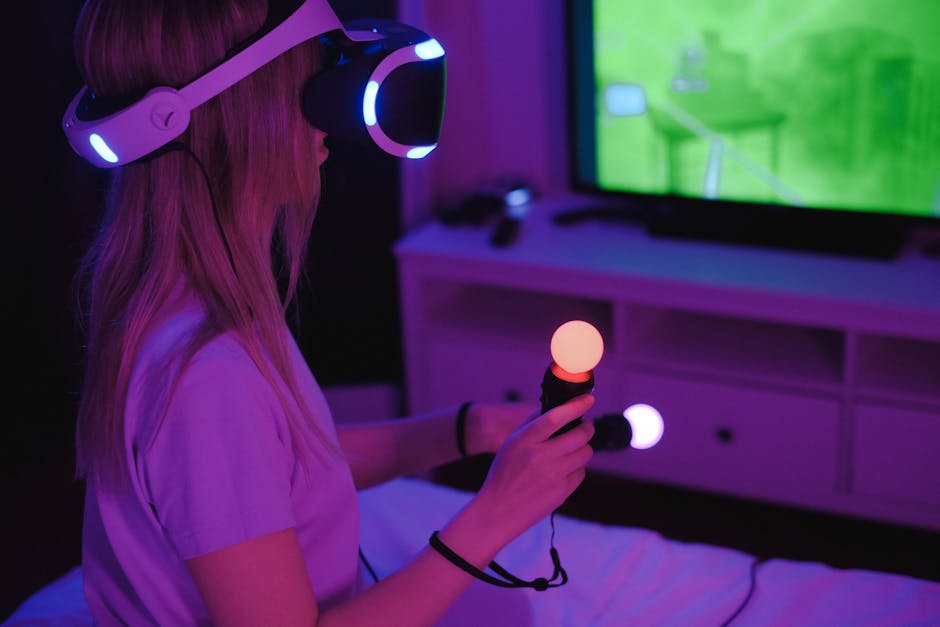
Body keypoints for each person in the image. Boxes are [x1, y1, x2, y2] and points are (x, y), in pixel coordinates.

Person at [70, 0, 597, 625]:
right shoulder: (205, 376)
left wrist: (468, 429)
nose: (333, 113)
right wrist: (495, 515)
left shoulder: (184, 298)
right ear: (248, 111)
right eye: (312, 76)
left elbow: (275, 474)